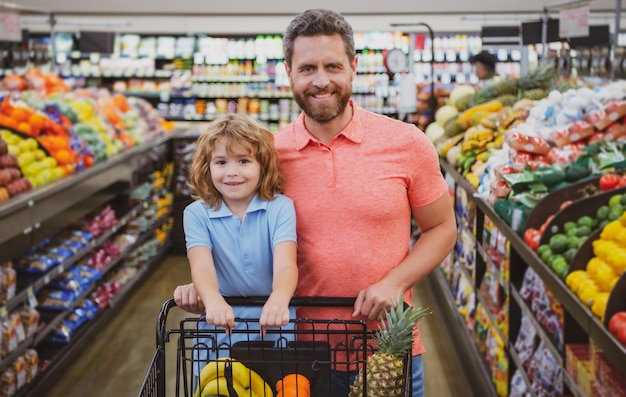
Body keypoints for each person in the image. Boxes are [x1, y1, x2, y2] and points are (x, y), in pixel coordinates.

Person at [175, 8, 456, 397]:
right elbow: (238, 234)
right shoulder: (266, 157)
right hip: (294, 354)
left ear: (354, 67)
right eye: (307, 68)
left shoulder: (407, 143)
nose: (321, 81)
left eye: (333, 66)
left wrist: (395, 282)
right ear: (288, 71)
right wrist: (207, 288)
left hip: (385, 351)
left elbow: (442, 228)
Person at [181, 113, 298, 387]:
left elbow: (286, 264)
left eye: (244, 161)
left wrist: (280, 298)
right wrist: (212, 301)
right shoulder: (196, 214)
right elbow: (201, 265)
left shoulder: (280, 207)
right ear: (206, 167)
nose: (232, 172)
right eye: (221, 162)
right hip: (220, 326)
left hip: (274, 325)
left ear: (263, 165)